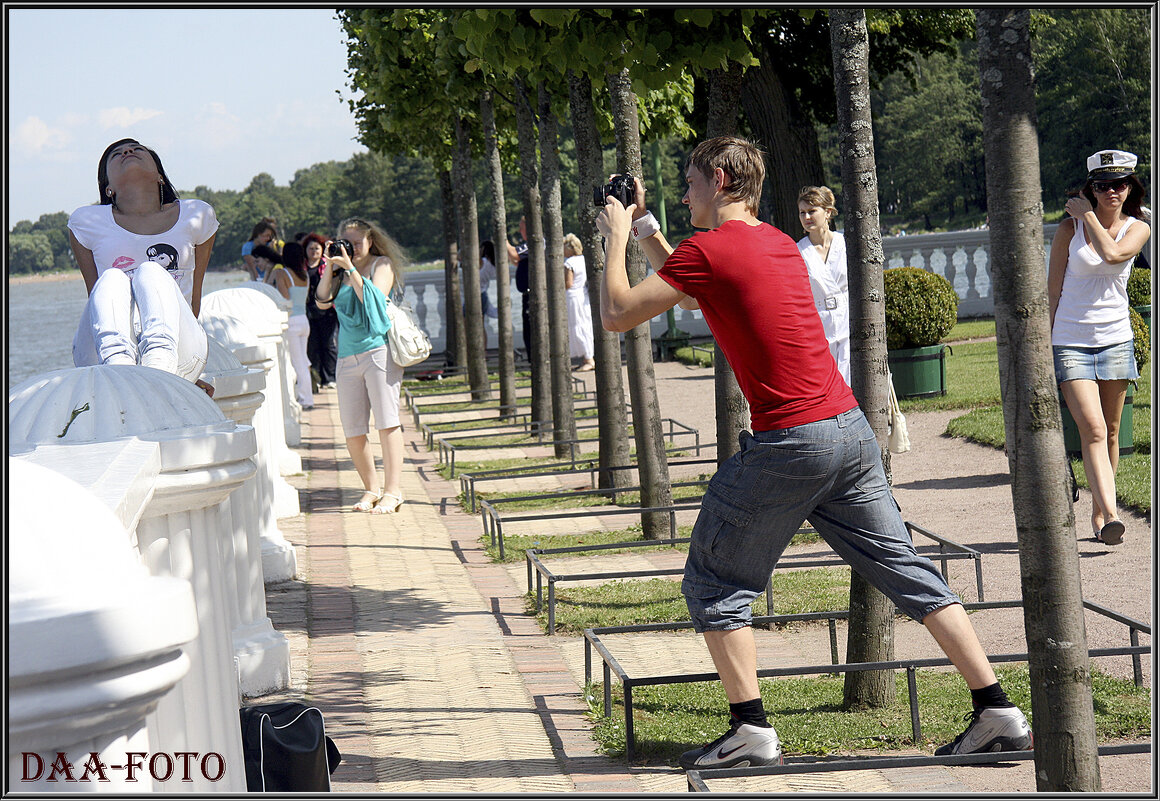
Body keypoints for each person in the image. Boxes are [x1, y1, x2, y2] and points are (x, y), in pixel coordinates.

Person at [595, 136, 1032, 770]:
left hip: (790, 443)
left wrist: (613, 232)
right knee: (904, 568)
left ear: (718, 180)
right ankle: (997, 711)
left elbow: (615, 312)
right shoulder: (774, 242)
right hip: (849, 430)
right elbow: (697, 291)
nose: (684, 192)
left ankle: (750, 730)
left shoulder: (712, 250)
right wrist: (645, 228)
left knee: (716, 580)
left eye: (689, 182)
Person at [1048, 149, 1150, 546]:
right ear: (1091, 187)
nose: (1113, 191)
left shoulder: (1139, 226)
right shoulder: (1066, 232)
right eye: (1103, 185)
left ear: (1131, 187)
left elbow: (1112, 253)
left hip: (1116, 340)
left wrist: (1086, 215)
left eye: (1120, 184)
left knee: (1109, 431)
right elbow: (1052, 291)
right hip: (1070, 340)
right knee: (1090, 428)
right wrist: (1045, 343)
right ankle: (1111, 514)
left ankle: (1097, 511)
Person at [68, 138, 217, 397]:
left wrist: (189, 373)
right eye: (116, 154)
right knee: (113, 279)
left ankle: (160, 366)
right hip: (105, 349)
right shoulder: (87, 222)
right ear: (108, 188)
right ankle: (121, 367)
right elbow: (97, 299)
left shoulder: (196, 216)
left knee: (151, 272)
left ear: (159, 176)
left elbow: (191, 304)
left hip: (178, 344)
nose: (127, 151)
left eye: (137, 149)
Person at [315, 217, 407, 515]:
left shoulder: (382, 265)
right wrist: (331, 266)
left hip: (378, 350)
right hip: (347, 356)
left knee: (386, 421)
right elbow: (321, 301)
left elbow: (375, 300)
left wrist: (352, 269)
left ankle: (393, 491)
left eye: (356, 243)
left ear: (370, 240)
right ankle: (371, 488)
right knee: (353, 429)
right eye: (347, 242)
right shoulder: (340, 270)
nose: (351, 248)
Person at [796, 185, 850, 386]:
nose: (807, 217)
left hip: (847, 319)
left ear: (827, 212)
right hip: (817, 325)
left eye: (812, 211)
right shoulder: (798, 251)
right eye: (802, 212)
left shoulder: (845, 244)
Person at [270, 241, 314, 410]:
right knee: (304, 360)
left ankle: (305, 399)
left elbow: (284, 297)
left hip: (292, 321)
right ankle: (306, 395)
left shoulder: (282, 273)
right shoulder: (305, 275)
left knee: (296, 361)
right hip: (304, 320)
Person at [304, 232, 339, 390]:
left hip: (328, 311)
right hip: (308, 312)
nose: (314, 252)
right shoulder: (301, 267)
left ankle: (330, 378)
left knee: (329, 345)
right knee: (312, 346)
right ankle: (316, 378)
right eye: (311, 248)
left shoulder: (327, 266)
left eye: (317, 248)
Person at [563, 232, 595, 371]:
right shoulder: (583, 260)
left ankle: (588, 359)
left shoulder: (569, 263)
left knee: (576, 326)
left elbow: (568, 283)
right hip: (583, 295)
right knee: (585, 325)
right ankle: (587, 357)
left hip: (572, 297)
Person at [514, 216, 532, 359]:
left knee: (531, 329)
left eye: (522, 228)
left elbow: (515, 255)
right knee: (527, 330)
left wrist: (504, 242)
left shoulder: (532, 244)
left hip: (532, 294)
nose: (520, 231)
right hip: (526, 294)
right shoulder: (527, 245)